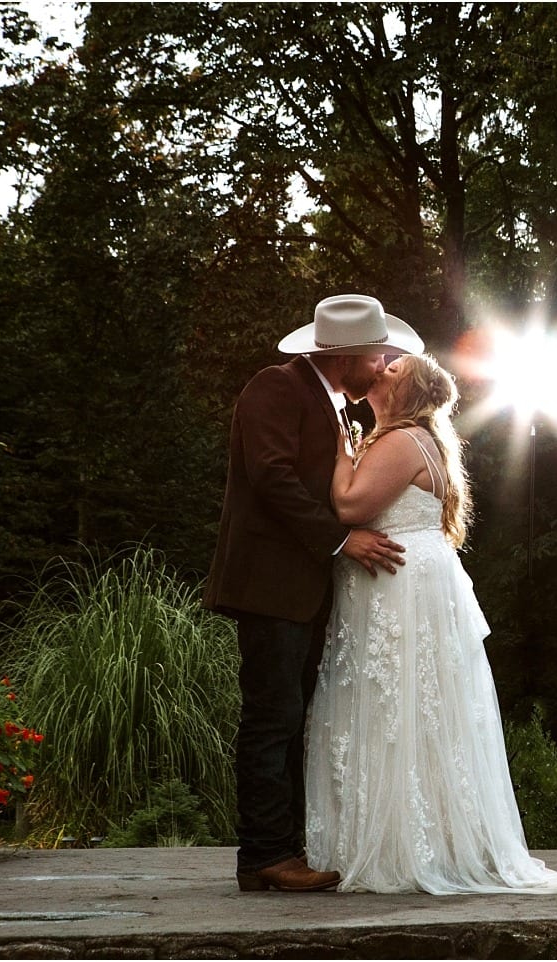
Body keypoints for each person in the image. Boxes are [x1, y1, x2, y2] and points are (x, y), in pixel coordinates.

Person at [305, 353, 557, 895]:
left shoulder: (403, 441)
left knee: (398, 708)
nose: (380, 367)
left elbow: (349, 504)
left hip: (399, 590)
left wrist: (340, 449)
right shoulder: (414, 439)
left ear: (404, 393)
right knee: (406, 710)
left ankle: (405, 849)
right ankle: (413, 840)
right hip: (409, 584)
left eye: (392, 369)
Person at [205, 294, 423, 893]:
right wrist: (340, 540)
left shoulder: (330, 403)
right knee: (271, 719)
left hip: (300, 591)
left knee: (290, 718)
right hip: (269, 586)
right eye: (377, 355)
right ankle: (263, 857)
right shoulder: (275, 387)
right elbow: (270, 475)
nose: (384, 365)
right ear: (345, 355)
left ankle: (286, 848)